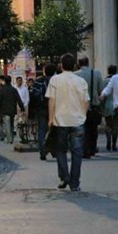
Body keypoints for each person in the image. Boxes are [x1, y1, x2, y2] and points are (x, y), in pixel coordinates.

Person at [46, 53, 90, 192]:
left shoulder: (55, 80)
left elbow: (51, 100)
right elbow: (86, 101)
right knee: (77, 152)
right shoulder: (81, 81)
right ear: (74, 65)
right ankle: (74, 182)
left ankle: (65, 176)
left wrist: (50, 118)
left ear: (62, 65)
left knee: (60, 150)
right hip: (77, 120)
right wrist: (83, 115)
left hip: (60, 120)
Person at [74, 57, 105, 159]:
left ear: (79, 64)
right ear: (88, 63)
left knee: (83, 129)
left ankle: (85, 149)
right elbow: (101, 89)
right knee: (93, 129)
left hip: (80, 106)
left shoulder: (75, 75)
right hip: (94, 106)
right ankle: (92, 148)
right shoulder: (96, 73)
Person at [32, 63, 56, 160]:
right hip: (55, 108)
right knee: (55, 130)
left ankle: (42, 150)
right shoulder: (56, 81)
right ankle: (53, 149)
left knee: (41, 130)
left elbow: (33, 95)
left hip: (41, 108)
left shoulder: (39, 81)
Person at [0, 75, 24, 144]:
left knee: (7, 124)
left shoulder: (2, 89)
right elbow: (19, 99)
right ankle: (11, 138)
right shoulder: (14, 89)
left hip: (4, 110)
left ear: (5, 81)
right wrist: (22, 108)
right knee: (11, 124)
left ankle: (9, 139)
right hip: (12, 109)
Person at [102, 65, 118, 151]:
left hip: (107, 105)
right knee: (115, 126)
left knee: (108, 124)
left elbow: (102, 94)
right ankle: (114, 144)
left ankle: (108, 139)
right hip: (116, 105)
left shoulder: (105, 81)